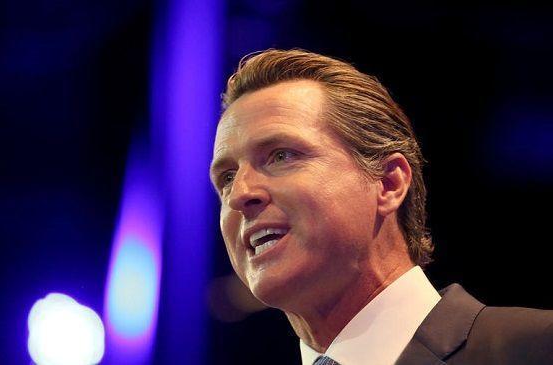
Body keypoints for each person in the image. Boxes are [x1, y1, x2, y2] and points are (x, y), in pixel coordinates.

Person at [209, 49, 553, 365]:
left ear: (389, 183)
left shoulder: (536, 348)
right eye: (226, 177)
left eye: (281, 156)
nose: (240, 193)